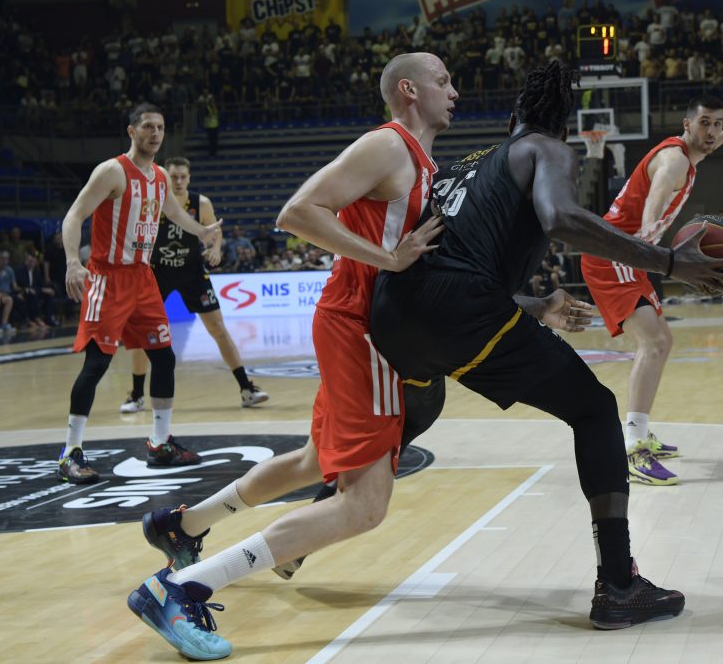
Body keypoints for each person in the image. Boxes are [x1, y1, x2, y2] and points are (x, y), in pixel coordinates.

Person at [372, 61, 723, 629]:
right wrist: (669, 262)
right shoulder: (549, 150)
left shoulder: (467, 165)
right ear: (564, 131)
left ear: (512, 116)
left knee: (421, 404)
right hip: (460, 312)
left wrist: (536, 307)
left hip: (391, 312)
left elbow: (446, 268)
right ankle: (618, 584)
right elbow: (562, 217)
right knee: (594, 410)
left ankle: (327, 508)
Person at [127, 53, 456, 661]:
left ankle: (183, 526)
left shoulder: (419, 159)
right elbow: (297, 212)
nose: (454, 91)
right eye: (443, 80)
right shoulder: (390, 147)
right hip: (362, 327)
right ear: (408, 90)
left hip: (352, 320)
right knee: (364, 506)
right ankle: (175, 589)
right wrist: (389, 260)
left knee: (311, 462)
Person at [580, 95, 723, 485]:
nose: (712, 131)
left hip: (627, 252)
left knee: (662, 341)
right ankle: (633, 448)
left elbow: (710, 145)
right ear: (687, 125)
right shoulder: (673, 161)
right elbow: (656, 198)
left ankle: (639, 431)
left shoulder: (692, 154)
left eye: (717, 123)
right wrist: (652, 237)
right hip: (614, 252)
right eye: (705, 122)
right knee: (653, 342)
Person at [58, 103, 222, 485]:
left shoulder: (161, 175)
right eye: (147, 126)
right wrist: (71, 262)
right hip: (107, 278)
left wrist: (201, 231)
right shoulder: (112, 171)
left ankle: (160, 444)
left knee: (163, 358)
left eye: (160, 127)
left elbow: (173, 213)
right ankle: (70, 452)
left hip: (143, 279)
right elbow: (73, 216)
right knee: (97, 364)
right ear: (131, 131)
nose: (155, 133)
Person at [120, 156, 269, 413]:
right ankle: (136, 395)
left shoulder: (201, 203)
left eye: (182, 177)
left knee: (218, 329)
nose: (178, 181)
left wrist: (216, 249)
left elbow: (215, 231)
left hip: (192, 272)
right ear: (165, 176)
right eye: (173, 176)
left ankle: (247, 388)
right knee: (143, 333)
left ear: (189, 178)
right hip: (157, 272)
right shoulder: (154, 201)